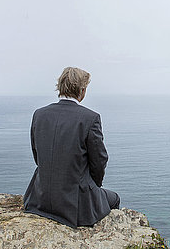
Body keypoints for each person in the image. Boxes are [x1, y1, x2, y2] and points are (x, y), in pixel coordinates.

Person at [23, 67, 120, 228]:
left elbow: (37, 156)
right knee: (114, 198)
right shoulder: (90, 118)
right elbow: (99, 161)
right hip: (74, 206)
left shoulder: (39, 114)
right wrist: (94, 186)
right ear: (82, 90)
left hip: (39, 199)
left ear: (60, 86)